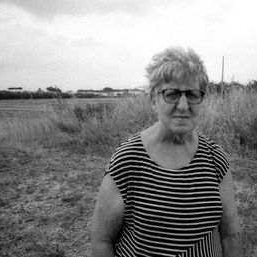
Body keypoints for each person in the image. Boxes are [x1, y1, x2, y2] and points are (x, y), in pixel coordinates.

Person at [91, 47, 242, 257]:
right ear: (153, 100)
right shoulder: (128, 159)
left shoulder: (215, 158)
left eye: (192, 94)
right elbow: (102, 241)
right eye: (171, 94)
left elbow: (230, 235)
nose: (182, 105)